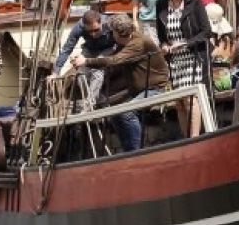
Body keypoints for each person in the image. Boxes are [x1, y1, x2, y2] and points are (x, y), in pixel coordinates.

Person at [71, 15, 169, 152]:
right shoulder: (127, 42)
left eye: (112, 32)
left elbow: (114, 60)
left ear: (117, 33)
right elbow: (111, 61)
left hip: (154, 89)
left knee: (127, 112)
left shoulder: (137, 43)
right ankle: (127, 150)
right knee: (115, 111)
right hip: (139, 90)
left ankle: (137, 152)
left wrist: (86, 61)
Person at [155, 0, 213, 92]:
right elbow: (161, 36)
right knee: (180, 103)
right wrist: (164, 45)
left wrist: (185, 44)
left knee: (192, 99)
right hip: (175, 61)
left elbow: (207, 32)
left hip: (195, 58)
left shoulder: (195, 2)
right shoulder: (161, 5)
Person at [53, 9, 113, 102]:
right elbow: (67, 49)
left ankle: (90, 104)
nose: (93, 34)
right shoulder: (78, 28)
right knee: (81, 74)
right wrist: (56, 72)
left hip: (107, 48)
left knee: (97, 71)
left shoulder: (110, 23)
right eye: (89, 31)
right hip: (90, 49)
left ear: (101, 22)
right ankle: (92, 97)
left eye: (96, 30)